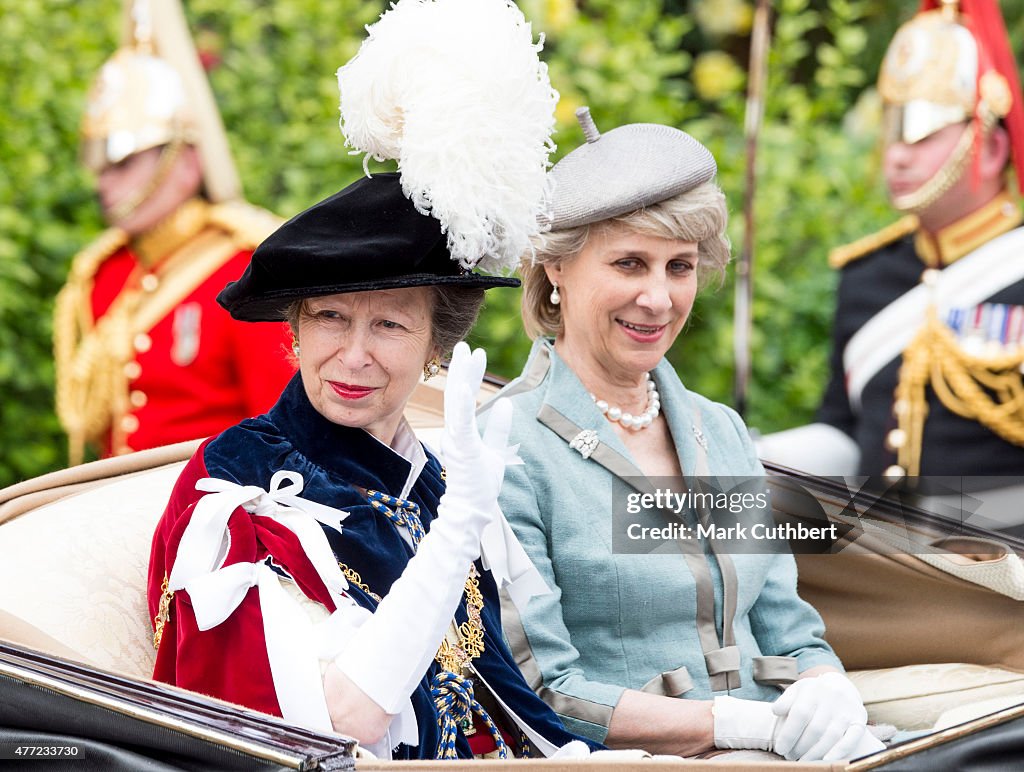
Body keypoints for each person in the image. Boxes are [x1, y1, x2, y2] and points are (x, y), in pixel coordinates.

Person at [148, 0, 603, 760]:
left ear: (435, 347)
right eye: (330, 317)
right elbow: (332, 729)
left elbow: (516, 695)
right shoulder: (237, 489)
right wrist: (458, 527)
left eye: (389, 324)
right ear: (294, 334)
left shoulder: (428, 479)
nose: (354, 355)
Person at [487, 107, 886, 761]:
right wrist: (733, 726)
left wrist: (827, 688)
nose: (658, 298)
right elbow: (545, 691)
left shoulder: (719, 429)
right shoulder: (507, 446)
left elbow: (786, 628)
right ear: (556, 266)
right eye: (629, 264)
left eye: (679, 267)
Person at [758, 0, 1024, 532]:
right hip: (885, 559)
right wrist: (746, 454)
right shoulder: (866, 276)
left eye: (922, 130)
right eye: (893, 127)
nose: (898, 154)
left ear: (992, 147)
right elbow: (845, 436)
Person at [54, 0, 294, 464]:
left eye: (124, 163)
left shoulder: (247, 268)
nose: (104, 183)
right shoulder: (104, 273)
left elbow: (281, 433)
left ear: (184, 161)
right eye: (102, 166)